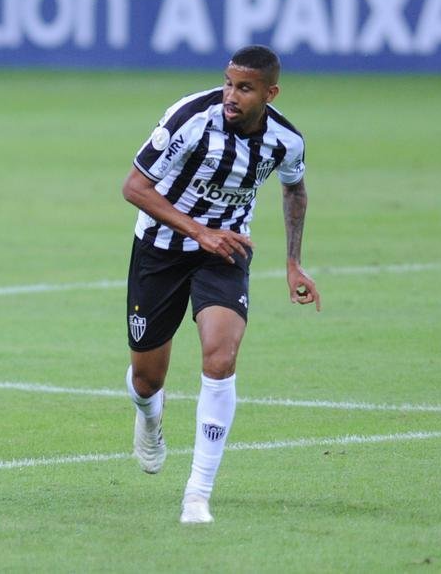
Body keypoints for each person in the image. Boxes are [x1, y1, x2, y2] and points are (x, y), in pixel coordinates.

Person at [120, 44, 320, 525]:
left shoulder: (286, 141)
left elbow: (294, 188)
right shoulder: (190, 118)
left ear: (270, 93)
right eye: (229, 83)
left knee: (221, 356)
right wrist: (198, 231)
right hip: (161, 250)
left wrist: (294, 262)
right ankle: (149, 414)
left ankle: (197, 494)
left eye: (245, 88)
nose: (232, 95)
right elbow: (134, 187)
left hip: (226, 253)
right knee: (148, 379)